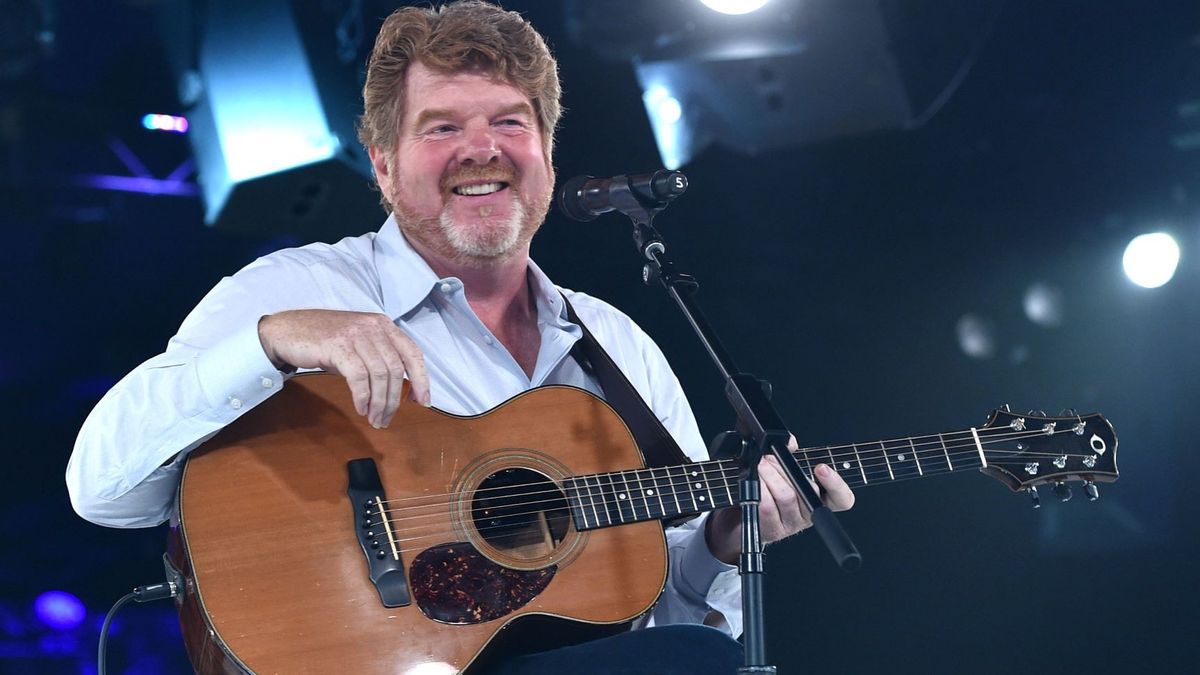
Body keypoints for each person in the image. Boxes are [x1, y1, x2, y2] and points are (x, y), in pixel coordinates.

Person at [66, 2, 854, 672]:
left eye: (509, 122)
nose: (481, 149)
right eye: (442, 126)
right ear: (381, 165)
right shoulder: (299, 291)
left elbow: (657, 613)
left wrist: (721, 540)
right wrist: (269, 342)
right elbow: (99, 487)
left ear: (545, 152)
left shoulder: (616, 346)